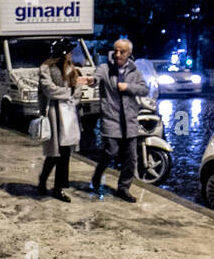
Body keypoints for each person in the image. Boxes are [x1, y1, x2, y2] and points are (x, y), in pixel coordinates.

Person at [88, 38, 149, 202]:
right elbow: (96, 78)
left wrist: (128, 87)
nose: (117, 54)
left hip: (129, 121)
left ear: (129, 54)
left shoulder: (134, 72)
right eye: (116, 50)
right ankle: (98, 173)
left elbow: (144, 89)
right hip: (111, 118)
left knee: (131, 157)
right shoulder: (105, 68)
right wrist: (91, 80)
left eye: (122, 51)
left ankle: (123, 188)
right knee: (111, 152)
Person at [37, 38, 95, 202]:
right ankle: (43, 181)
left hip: (69, 116)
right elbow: (49, 90)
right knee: (54, 154)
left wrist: (68, 93)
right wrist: (68, 92)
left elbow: (77, 91)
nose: (71, 55)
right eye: (69, 52)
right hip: (55, 116)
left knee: (64, 154)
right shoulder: (45, 69)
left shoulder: (72, 70)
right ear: (62, 54)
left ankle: (59, 188)